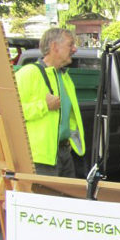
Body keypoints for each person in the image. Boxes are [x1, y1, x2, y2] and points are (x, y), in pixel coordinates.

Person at [15, 27, 85, 177]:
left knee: (68, 199)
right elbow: (12, 112)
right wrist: (44, 106)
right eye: (70, 44)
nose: (75, 49)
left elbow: (69, 117)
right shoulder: (28, 73)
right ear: (55, 46)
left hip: (64, 153)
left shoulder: (65, 77)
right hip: (41, 159)